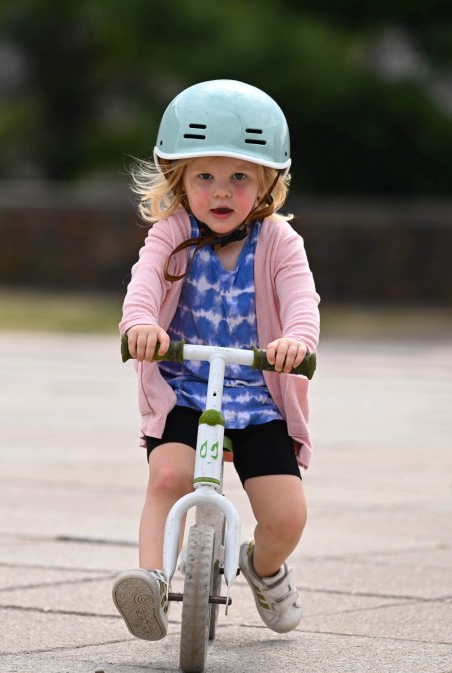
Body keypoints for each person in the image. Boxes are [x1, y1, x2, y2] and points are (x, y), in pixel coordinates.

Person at [112, 79, 320, 641]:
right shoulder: (172, 232)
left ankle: (264, 567)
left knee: (285, 516)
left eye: (239, 177)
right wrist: (141, 325)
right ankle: (151, 582)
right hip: (186, 386)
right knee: (169, 477)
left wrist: (297, 341)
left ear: (268, 182)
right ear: (178, 177)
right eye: (204, 176)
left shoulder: (279, 242)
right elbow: (144, 283)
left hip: (257, 397)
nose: (220, 192)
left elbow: (303, 300)